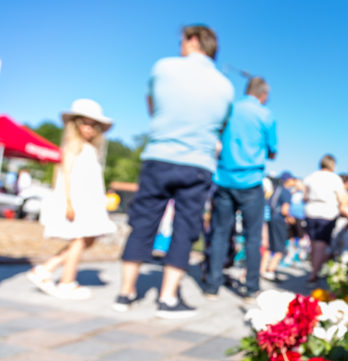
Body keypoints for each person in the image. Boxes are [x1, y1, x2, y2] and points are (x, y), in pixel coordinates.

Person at [116, 25, 234, 318]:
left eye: (182, 39)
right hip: (198, 162)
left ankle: (126, 292)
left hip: (160, 154)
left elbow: (152, 106)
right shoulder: (225, 86)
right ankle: (168, 298)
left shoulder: (164, 67)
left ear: (193, 40)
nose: (181, 44)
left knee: (143, 221)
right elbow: (221, 125)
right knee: (185, 227)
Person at [27, 99, 116, 299]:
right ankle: (67, 282)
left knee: (89, 239)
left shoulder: (91, 149)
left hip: (90, 201)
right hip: (76, 201)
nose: (89, 128)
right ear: (75, 124)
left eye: (94, 125)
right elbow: (65, 176)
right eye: (85, 123)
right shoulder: (73, 146)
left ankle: (45, 269)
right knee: (80, 239)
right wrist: (68, 202)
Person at [204, 77, 277, 300]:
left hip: (224, 179)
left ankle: (212, 286)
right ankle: (251, 288)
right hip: (251, 181)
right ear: (263, 95)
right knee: (253, 237)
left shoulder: (230, 109)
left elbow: (216, 135)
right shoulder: (265, 115)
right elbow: (273, 150)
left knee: (220, 233)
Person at [303, 154, 348, 284]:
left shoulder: (311, 176)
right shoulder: (335, 179)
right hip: (327, 213)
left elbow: (305, 197)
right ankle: (313, 273)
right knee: (321, 244)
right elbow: (342, 198)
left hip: (311, 211)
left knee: (313, 243)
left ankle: (313, 270)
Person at [261, 171, 295, 281]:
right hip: (279, 220)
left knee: (269, 246)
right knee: (280, 248)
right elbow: (285, 210)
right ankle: (270, 270)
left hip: (270, 219)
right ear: (288, 180)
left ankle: (262, 270)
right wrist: (290, 219)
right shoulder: (286, 192)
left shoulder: (275, 189)